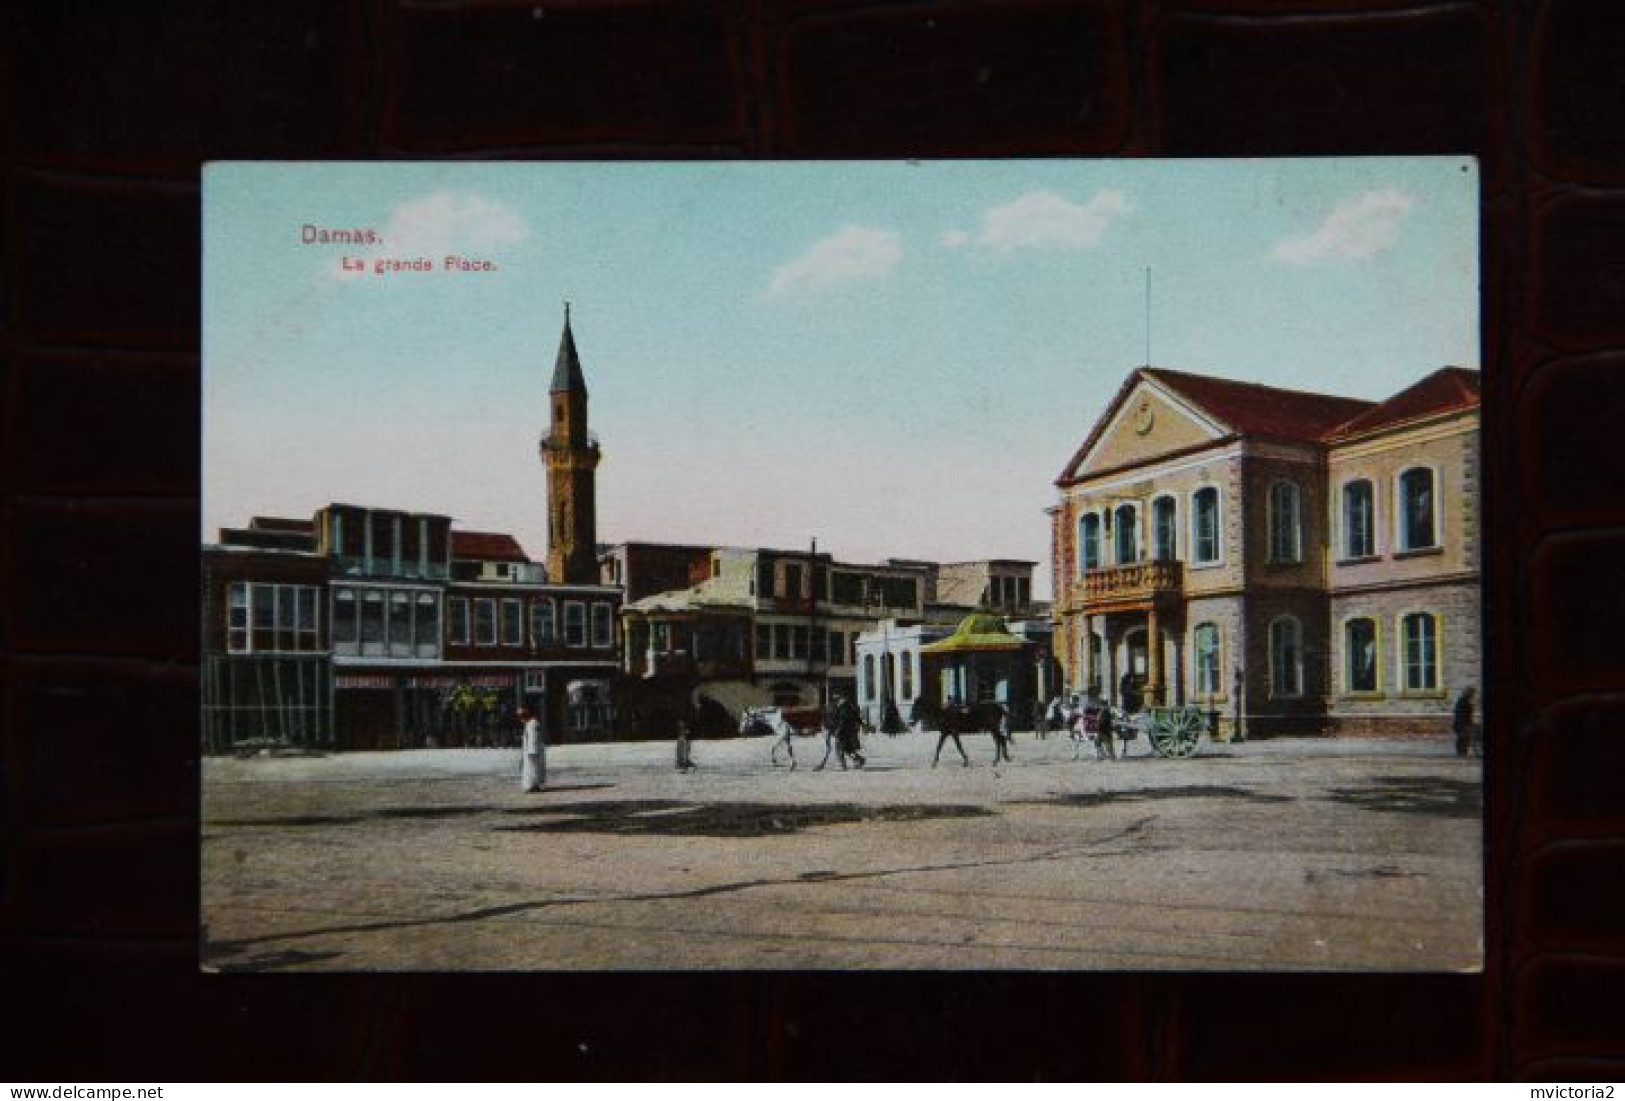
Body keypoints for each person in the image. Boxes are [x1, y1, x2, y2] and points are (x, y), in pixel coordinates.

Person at [518, 708, 545, 792]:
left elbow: (534, 738)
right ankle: (533, 785)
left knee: (532, 768)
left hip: (532, 751)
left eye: (521, 716)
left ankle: (532, 785)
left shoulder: (533, 724)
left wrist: (532, 750)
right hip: (529, 750)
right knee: (531, 768)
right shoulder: (529, 723)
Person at [1452, 686, 1477, 758]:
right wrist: (1467, 725)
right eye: (1472, 693)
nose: (1472, 695)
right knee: (1463, 739)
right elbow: (1463, 715)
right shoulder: (1464, 702)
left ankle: (1462, 753)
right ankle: (1461, 754)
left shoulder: (1462, 701)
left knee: (1463, 739)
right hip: (1462, 724)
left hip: (1461, 724)